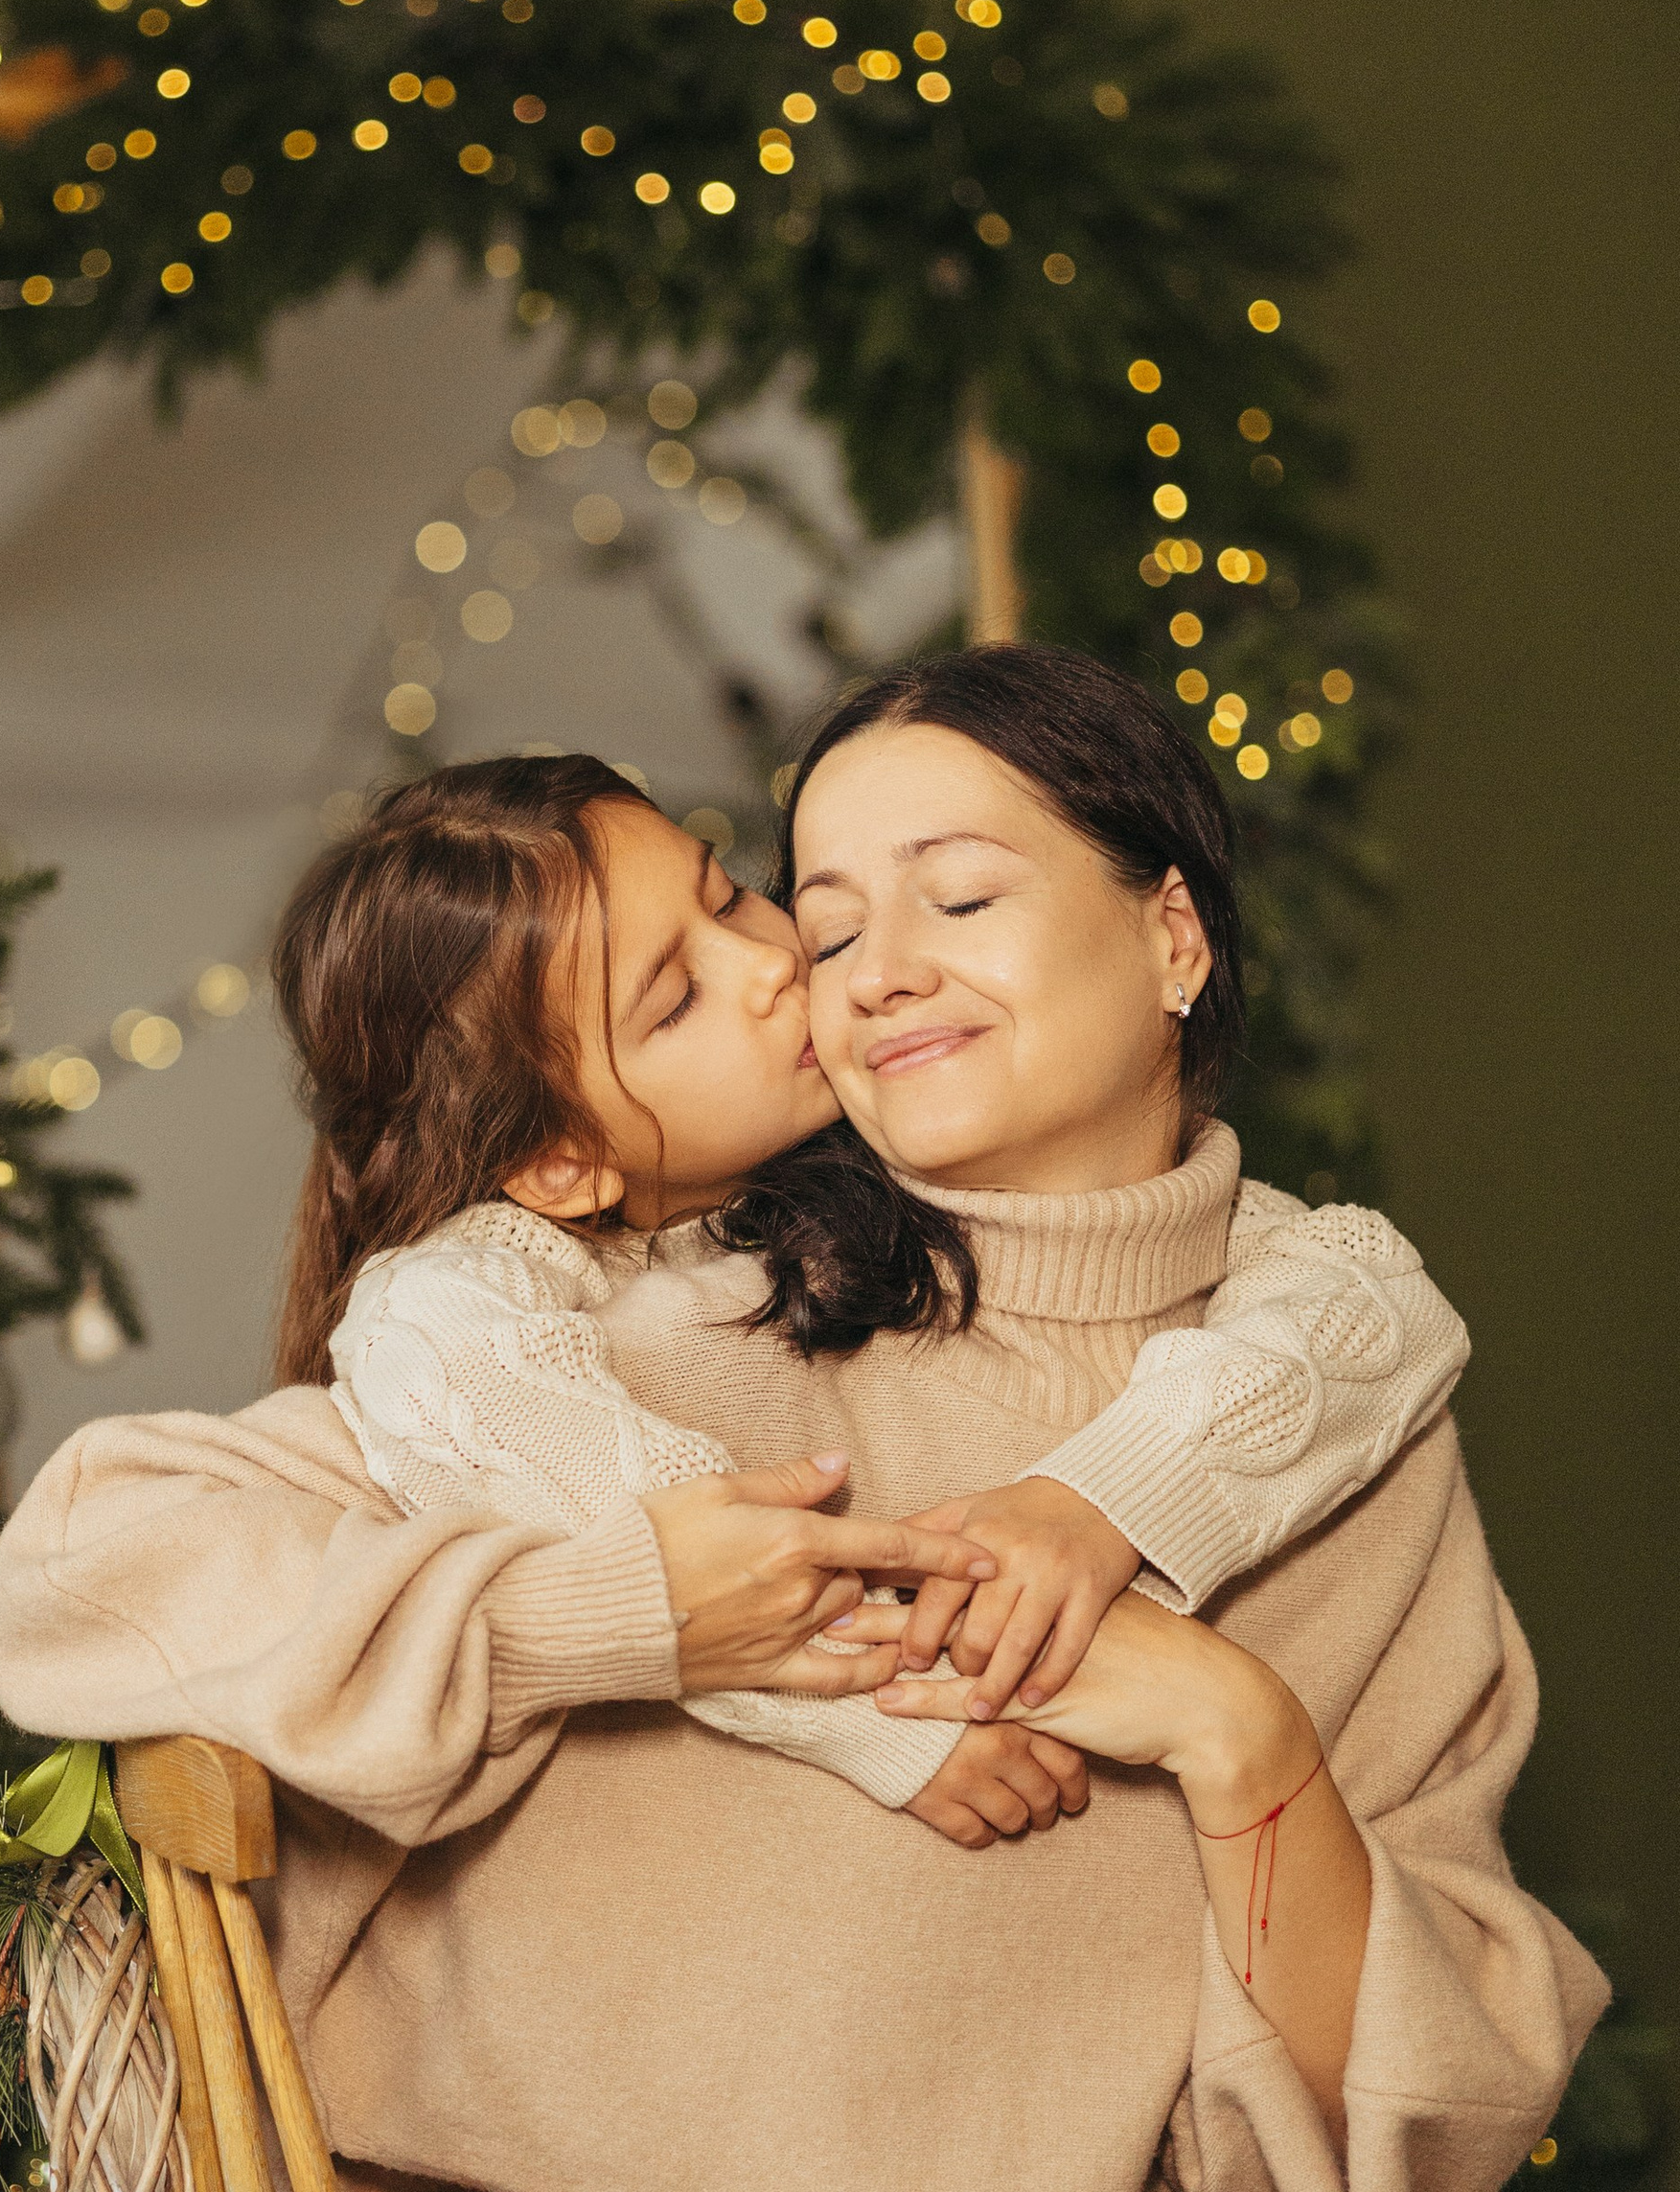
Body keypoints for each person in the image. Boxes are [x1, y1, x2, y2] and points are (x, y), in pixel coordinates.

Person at [0, 646, 1634, 2192]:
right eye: (823, 911)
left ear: (1170, 930)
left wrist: (1227, 1728)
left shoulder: (1334, 1426)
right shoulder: (638, 1345)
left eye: (944, 892)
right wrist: (645, 1607)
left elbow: (1400, 2133)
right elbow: (92, 1561)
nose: (857, 970)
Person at [285, 748, 1468, 1841]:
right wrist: (872, 1696)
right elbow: (443, 1360)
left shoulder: (919, 1155)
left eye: (730, 894)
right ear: (556, 1164)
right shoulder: (491, 1298)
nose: (769, 962)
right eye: (674, 998)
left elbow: (1371, 1299)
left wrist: (1103, 1502)